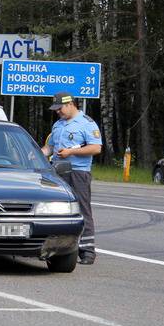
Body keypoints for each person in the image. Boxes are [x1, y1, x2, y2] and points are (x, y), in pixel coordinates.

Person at [41, 92, 102, 265]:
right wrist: (36, 155)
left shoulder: (86, 123)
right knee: (55, 209)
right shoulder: (58, 125)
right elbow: (49, 147)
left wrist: (71, 152)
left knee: (82, 210)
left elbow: (96, 148)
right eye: (56, 110)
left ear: (70, 104)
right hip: (58, 172)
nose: (58, 112)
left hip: (78, 172)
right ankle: (58, 248)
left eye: (60, 109)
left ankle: (87, 251)